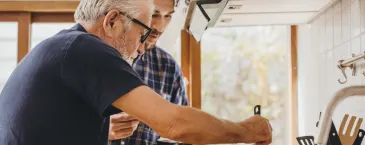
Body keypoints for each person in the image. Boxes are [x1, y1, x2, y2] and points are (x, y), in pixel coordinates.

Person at [0, 0, 272, 145]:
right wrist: (247, 131)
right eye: (142, 34)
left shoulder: (63, 45)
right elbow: (175, 124)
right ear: (112, 21)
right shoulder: (84, 48)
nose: (143, 48)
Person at [108, 0, 188, 145]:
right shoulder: (98, 57)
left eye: (168, 16)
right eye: (154, 14)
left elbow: (182, 132)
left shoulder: (169, 67)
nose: (160, 26)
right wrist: (101, 130)